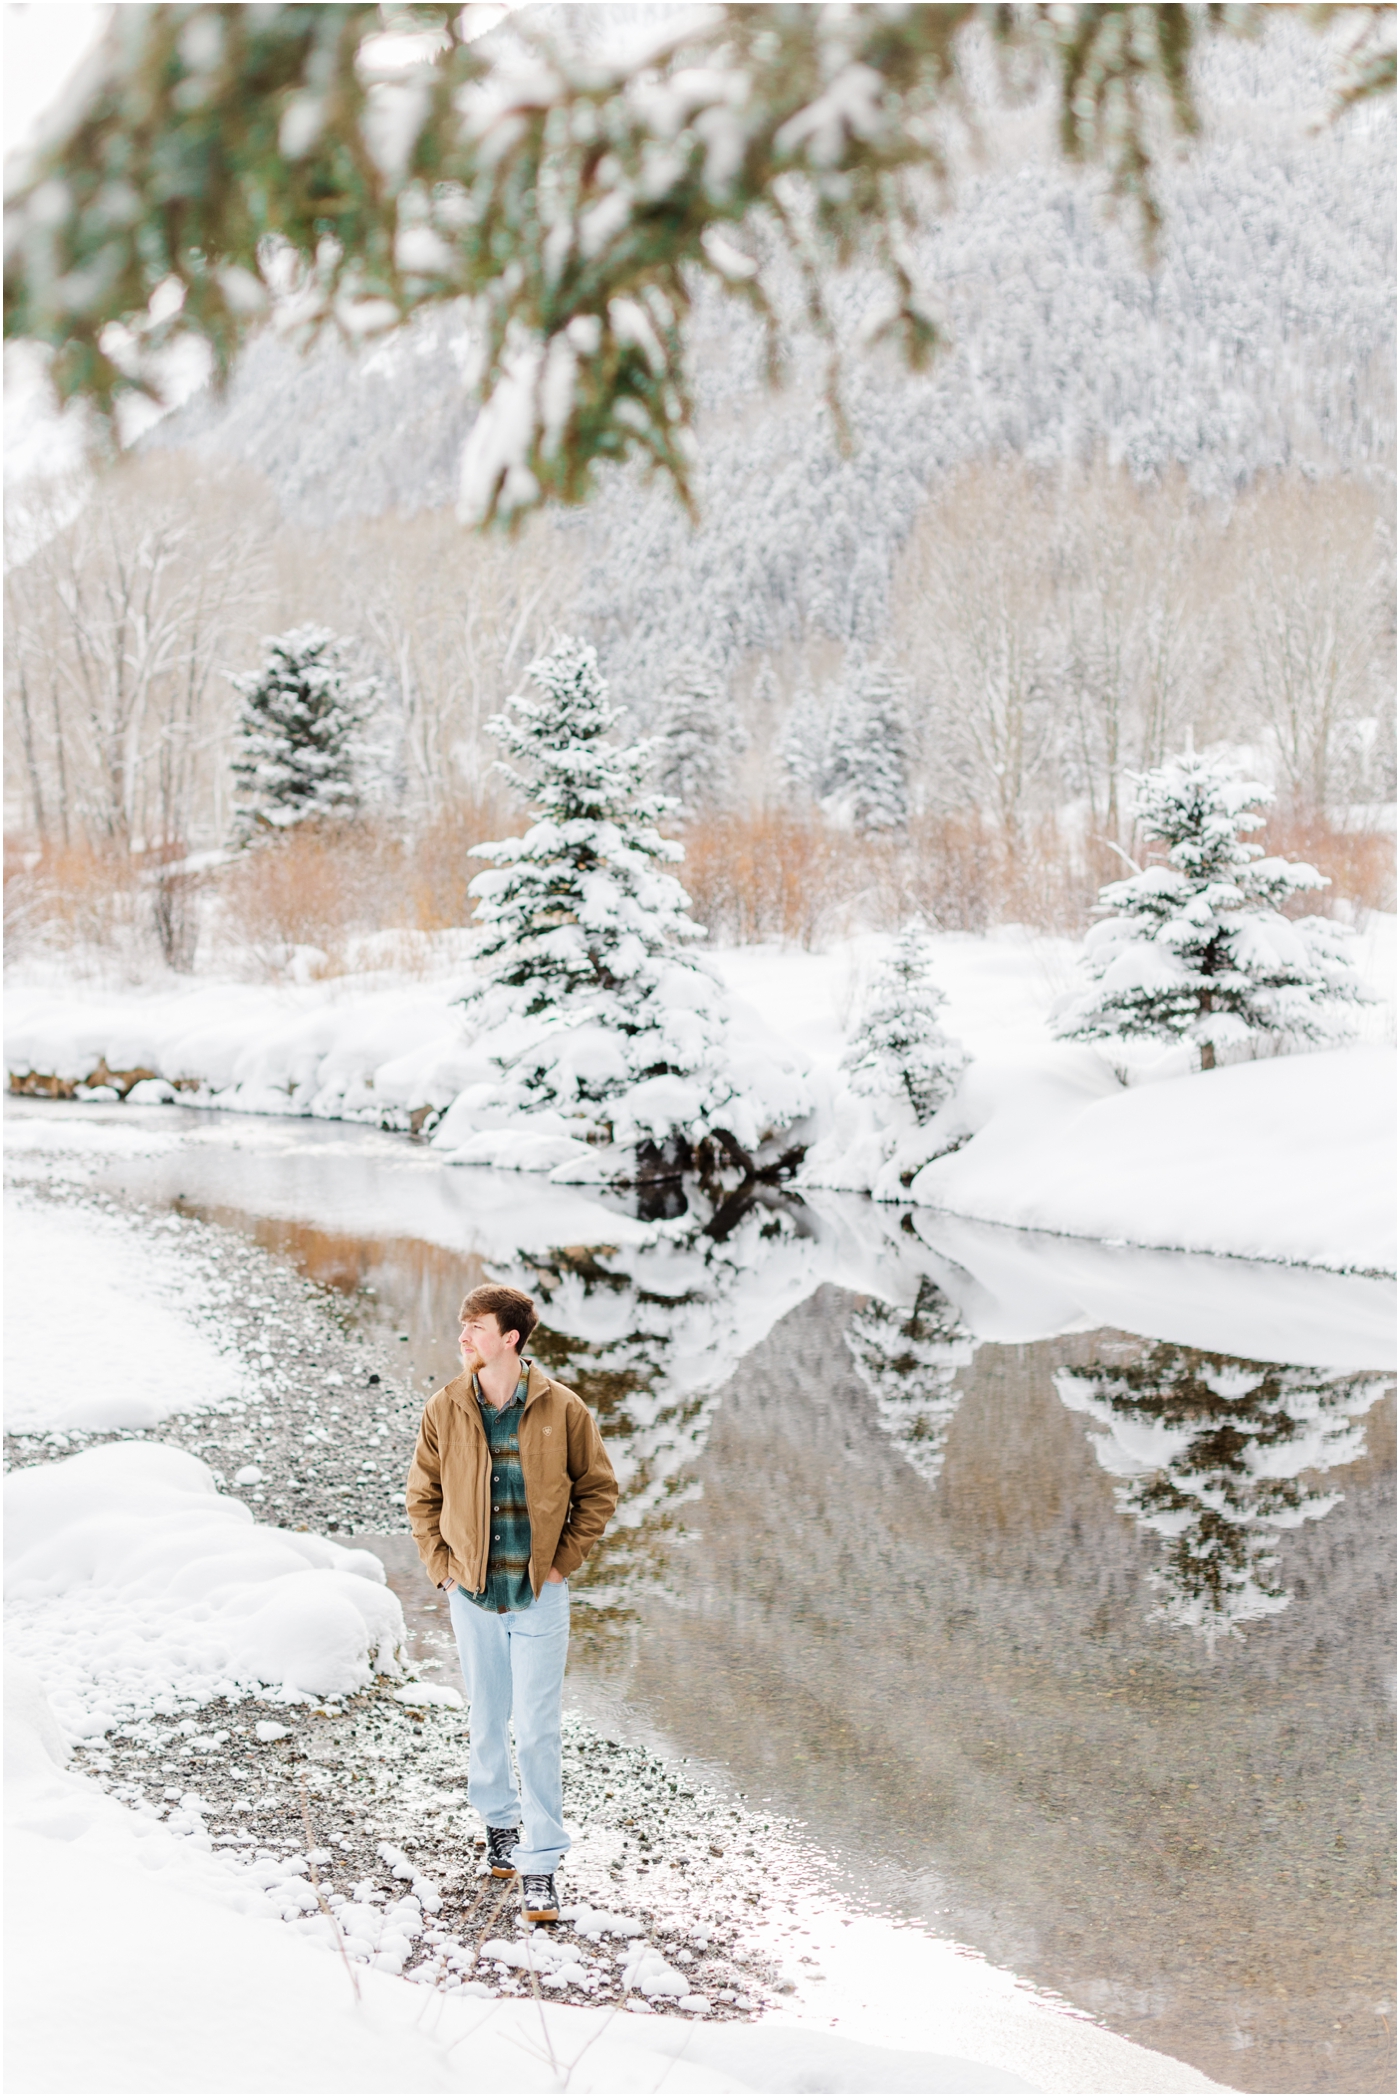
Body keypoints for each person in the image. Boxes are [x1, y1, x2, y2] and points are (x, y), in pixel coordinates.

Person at [406, 1283, 617, 1923]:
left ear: (510, 1338)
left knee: (538, 1729)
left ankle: (542, 1860)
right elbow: (423, 1497)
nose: (464, 1337)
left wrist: (562, 1563)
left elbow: (598, 1492)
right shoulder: (446, 1407)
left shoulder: (564, 1409)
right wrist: (443, 1570)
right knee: (487, 1717)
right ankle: (499, 1820)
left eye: (476, 1327)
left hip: (538, 1597)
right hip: (471, 1594)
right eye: (463, 1325)